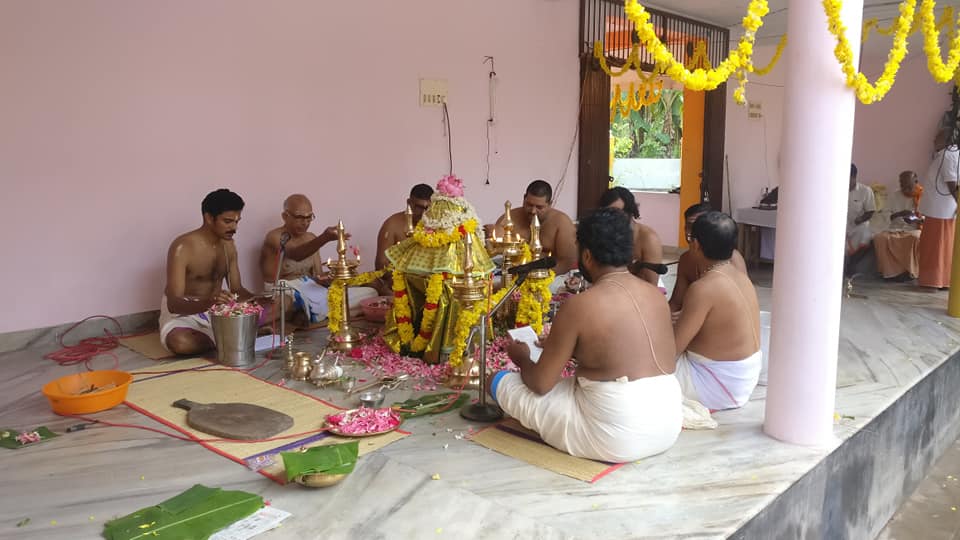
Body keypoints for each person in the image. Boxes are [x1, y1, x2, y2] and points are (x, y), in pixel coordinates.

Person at [493, 208, 681, 463]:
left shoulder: (581, 305)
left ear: (587, 256)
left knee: (499, 380)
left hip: (614, 437)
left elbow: (540, 383)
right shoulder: (655, 296)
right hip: (668, 423)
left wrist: (522, 358)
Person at [161, 189, 267, 355]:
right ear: (209, 218)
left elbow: (237, 289)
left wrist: (259, 298)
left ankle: (230, 334)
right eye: (228, 221)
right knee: (180, 342)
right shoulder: (183, 247)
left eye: (237, 221)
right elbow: (174, 304)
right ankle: (234, 335)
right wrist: (209, 302)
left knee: (278, 305)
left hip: (220, 311)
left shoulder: (229, 246)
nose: (234, 227)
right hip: (186, 314)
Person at [673, 211, 761, 411]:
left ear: (695, 245)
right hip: (741, 379)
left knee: (639, 365)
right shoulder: (740, 277)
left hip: (717, 385)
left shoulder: (704, 288)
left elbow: (673, 350)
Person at [260, 194, 377, 326]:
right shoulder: (274, 236)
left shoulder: (311, 238)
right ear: (285, 216)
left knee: (370, 292)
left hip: (310, 292)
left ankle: (309, 312)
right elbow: (295, 254)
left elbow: (318, 276)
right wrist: (324, 238)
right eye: (299, 217)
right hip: (283, 290)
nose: (305, 223)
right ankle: (313, 312)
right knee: (285, 302)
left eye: (309, 217)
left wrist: (336, 276)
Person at [668, 203, 747, 315]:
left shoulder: (732, 259)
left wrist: (688, 317)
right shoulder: (686, 259)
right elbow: (676, 303)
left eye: (699, 227)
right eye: (689, 226)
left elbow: (740, 307)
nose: (692, 232)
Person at [493, 180, 577, 275]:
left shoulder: (562, 222)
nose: (533, 211)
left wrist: (540, 277)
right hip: (512, 274)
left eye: (539, 207)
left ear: (550, 204)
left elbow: (567, 262)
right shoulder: (509, 219)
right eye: (529, 205)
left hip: (550, 277)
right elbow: (496, 248)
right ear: (524, 198)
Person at [918, 127, 959, 290]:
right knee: (934, 247)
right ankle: (938, 280)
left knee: (937, 249)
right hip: (937, 209)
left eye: (938, 137)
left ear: (948, 140)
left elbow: (952, 183)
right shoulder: (946, 154)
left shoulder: (949, 155)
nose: (934, 139)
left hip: (941, 211)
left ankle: (934, 281)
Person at [599, 187, 664, 286]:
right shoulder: (602, 233)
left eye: (617, 213)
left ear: (630, 211)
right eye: (607, 213)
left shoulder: (648, 238)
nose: (612, 218)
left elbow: (651, 283)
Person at [873, 171, 923, 282]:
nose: (905, 189)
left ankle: (909, 272)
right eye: (903, 186)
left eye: (908, 186)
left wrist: (915, 219)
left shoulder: (922, 196)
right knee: (880, 238)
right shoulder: (894, 195)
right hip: (894, 228)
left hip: (913, 229)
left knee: (915, 238)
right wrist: (899, 214)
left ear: (916, 182)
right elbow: (885, 214)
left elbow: (926, 218)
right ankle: (889, 273)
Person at [375, 184, 434, 270]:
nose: (423, 213)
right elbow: (381, 265)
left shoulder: (437, 225)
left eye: (427, 208)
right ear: (409, 202)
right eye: (419, 207)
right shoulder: (392, 224)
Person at [845, 163, 877, 276]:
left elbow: (870, 211)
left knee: (865, 232)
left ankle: (851, 265)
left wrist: (861, 219)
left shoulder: (865, 190)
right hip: (838, 226)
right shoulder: (834, 189)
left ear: (854, 177)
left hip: (857, 225)